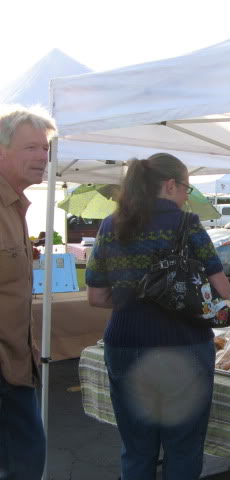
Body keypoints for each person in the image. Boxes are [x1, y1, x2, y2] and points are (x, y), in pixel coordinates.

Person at [86, 153, 230, 480]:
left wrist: (136, 296)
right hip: (185, 345)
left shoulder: (111, 224)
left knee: (137, 448)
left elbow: (96, 296)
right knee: (183, 447)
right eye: (187, 189)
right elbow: (222, 289)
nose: (186, 198)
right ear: (170, 185)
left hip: (126, 345)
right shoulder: (187, 225)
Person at [0, 104, 57, 479]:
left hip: (16, 363)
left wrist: (28, 342)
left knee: (25, 460)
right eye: (30, 147)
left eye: (45, 148)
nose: (42, 156)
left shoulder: (16, 207)